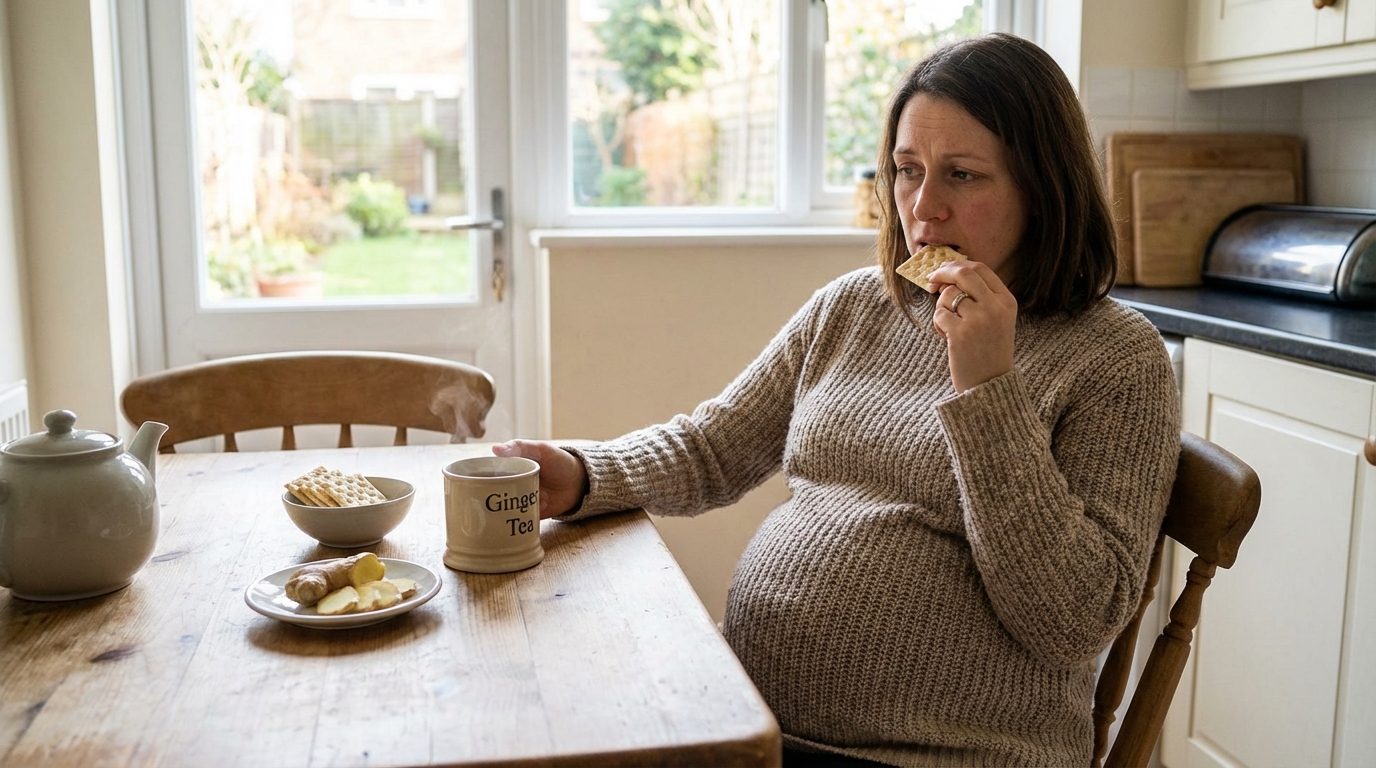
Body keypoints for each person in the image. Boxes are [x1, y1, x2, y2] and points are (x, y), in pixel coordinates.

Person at [494, 32, 1181, 768]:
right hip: (756, 725)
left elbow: (1073, 621)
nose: (925, 208)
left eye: (964, 176)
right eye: (907, 171)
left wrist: (987, 389)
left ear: (1044, 187)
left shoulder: (1118, 357)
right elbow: (713, 448)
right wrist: (584, 472)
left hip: (946, 756)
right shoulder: (853, 307)